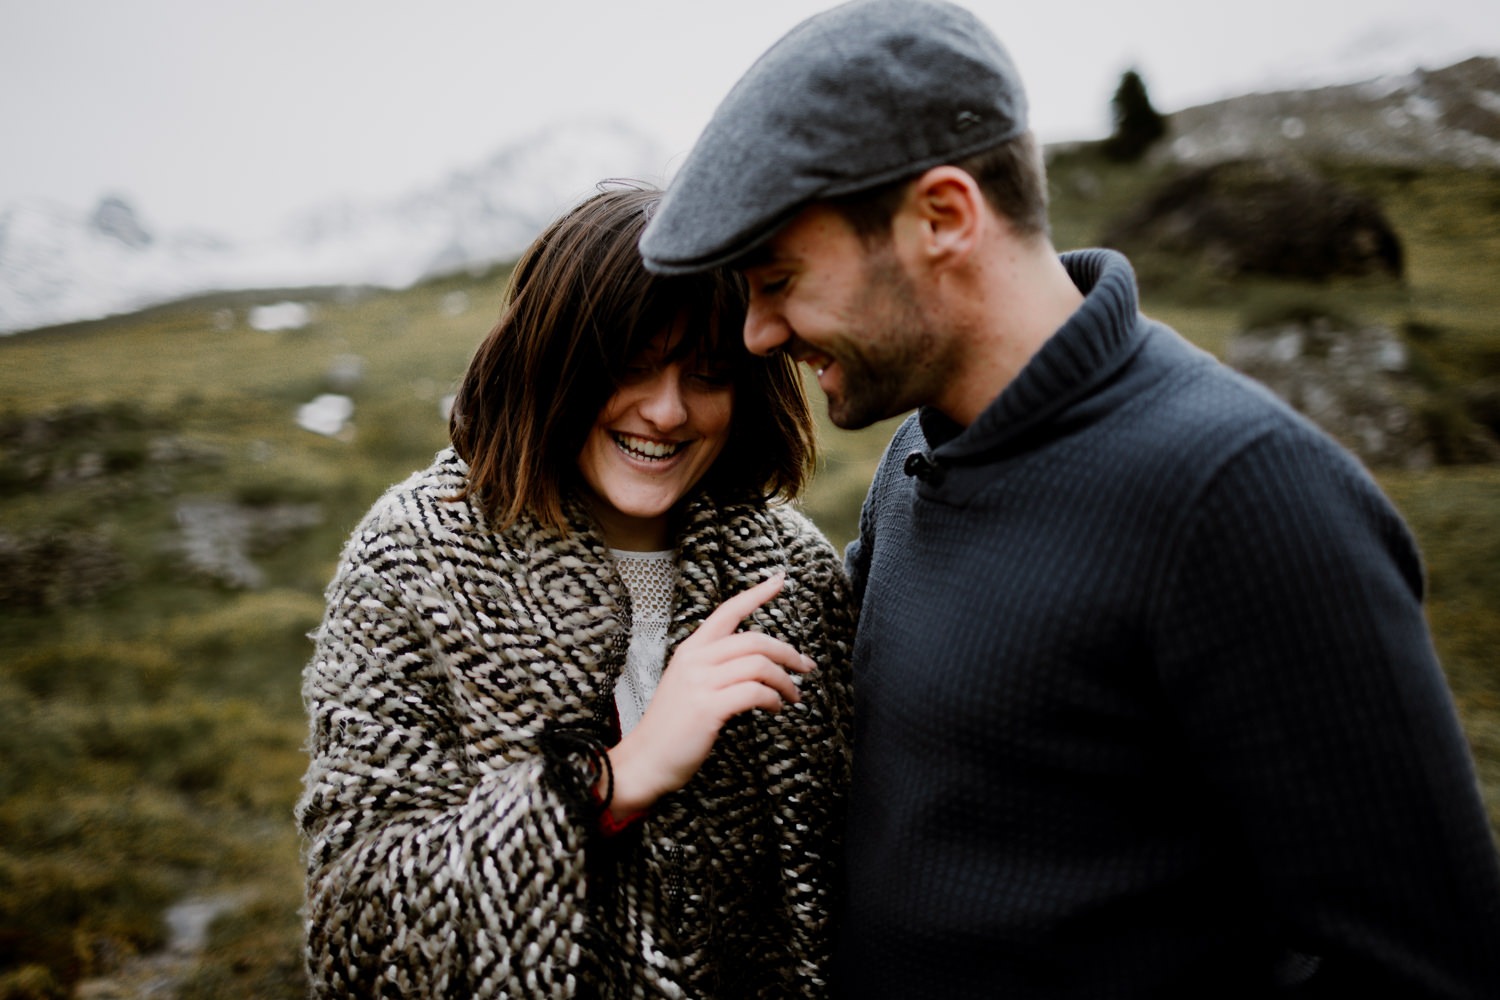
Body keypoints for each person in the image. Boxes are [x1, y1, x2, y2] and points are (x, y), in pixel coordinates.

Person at [638, 1, 1500, 996]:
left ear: (944, 217)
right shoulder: (917, 450)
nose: (756, 335)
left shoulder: (1239, 493)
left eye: (780, 279)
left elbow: (1430, 966)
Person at [296, 184, 855, 998]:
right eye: (628, 367)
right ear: (551, 361)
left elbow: (850, 884)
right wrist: (608, 783)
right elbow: (358, 930)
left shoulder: (792, 573)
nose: (666, 411)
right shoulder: (412, 561)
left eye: (706, 374)